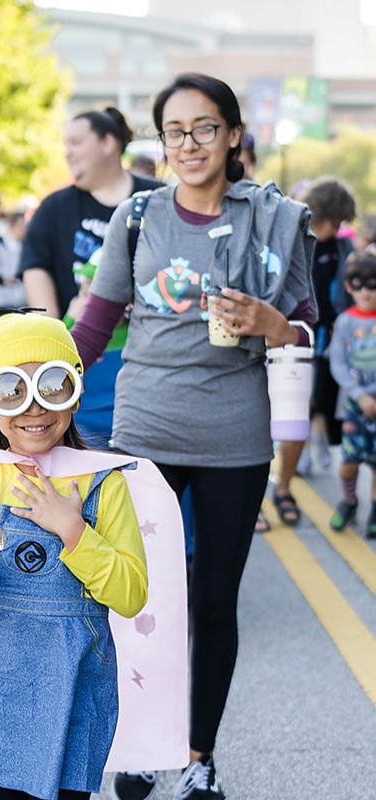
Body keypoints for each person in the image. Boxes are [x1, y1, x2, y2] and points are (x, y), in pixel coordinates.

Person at [70, 73, 315, 800]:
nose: (189, 144)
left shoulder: (275, 220)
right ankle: (142, 744)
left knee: (212, 602)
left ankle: (196, 755)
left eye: (204, 128)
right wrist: (30, 388)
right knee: (139, 599)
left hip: (234, 439)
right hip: (144, 428)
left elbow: (304, 325)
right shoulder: (138, 217)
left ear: (234, 134)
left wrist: (273, 326)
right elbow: (92, 325)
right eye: (175, 131)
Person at [0, 311, 148, 799]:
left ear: (75, 392)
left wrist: (75, 532)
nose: (33, 408)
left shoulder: (106, 482)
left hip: (72, 682)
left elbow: (131, 595)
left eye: (52, 385)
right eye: (11, 390)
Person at [21, 107, 161, 321]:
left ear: (107, 142)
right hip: (76, 345)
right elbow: (43, 312)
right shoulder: (52, 209)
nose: (67, 153)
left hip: (150, 345)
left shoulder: (158, 198)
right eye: (66, 145)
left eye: (75, 143)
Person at [272, 176, 356, 527]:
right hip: (276, 336)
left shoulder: (339, 248)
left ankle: (284, 486)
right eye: (332, 221)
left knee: (301, 417)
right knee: (269, 423)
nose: (336, 228)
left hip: (318, 339)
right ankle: (267, 492)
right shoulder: (286, 234)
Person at [328, 251, 376, 538]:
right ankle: (349, 500)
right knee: (349, 462)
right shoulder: (345, 322)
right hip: (354, 406)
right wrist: (360, 395)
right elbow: (338, 363)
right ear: (348, 287)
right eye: (358, 285)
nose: (366, 292)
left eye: (372, 285)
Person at [0, 206, 29, 309]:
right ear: (12, 226)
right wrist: (2, 280)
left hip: (21, 297)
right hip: (0, 298)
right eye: (20, 225)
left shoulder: (25, 245)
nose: (23, 229)